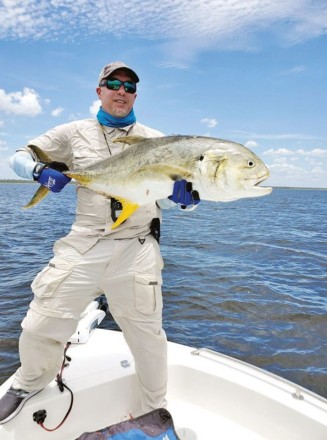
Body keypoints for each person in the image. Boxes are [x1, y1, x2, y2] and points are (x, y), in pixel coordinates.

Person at [0, 61, 200, 424]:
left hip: (138, 245)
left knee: (148, 336)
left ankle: (152, 406)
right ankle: (28, 381)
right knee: (40, 322)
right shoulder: (73, 132)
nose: (121, 91)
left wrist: (186, 200)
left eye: (129, 85)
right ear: (100, 90)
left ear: (136, 94)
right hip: (85, 242)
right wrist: (37, 171)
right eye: (113, 84)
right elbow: (18, 156)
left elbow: (172, 195)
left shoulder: (159, 140)